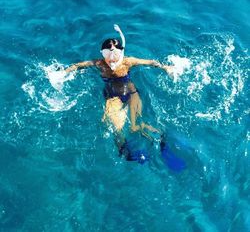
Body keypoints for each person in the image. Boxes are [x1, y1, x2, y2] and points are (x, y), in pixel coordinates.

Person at [64, 24, 185, 169]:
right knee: (116, 128)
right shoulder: (99, 64)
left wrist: (166, 68)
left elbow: (150, 62)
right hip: (112, 97)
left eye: (115, 55)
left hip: (132, 94)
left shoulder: (128, 62)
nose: (112, 60)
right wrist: (63, 73)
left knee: (135, 127)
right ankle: (126, 153)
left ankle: (163, 142)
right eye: (108, 56)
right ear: (103, 54)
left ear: (120, 53)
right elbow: (78, 65)